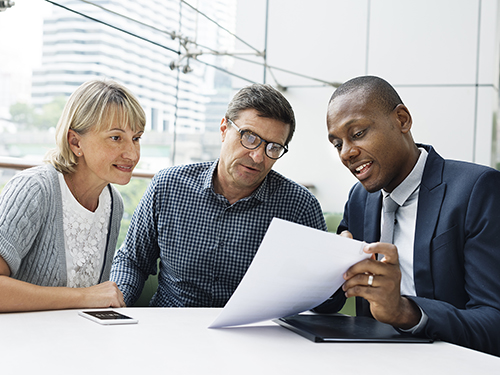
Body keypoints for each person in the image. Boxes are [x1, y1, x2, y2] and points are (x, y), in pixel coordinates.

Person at [319, 75, 500, 356]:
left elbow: (494, 322)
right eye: (337, 144)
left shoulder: (477, 189)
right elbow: (333, 300)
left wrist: (406, 312)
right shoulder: (359, 198)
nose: (347, 153)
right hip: (367, 361)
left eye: (357, 133)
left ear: (402, 120)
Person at [110, 83, 327, 307]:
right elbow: (132, 261)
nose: (258, 157)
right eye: (249, 137)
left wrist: (338, 273)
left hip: (253, 336)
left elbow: (321, 296)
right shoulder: (168, 186)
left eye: (273, 148)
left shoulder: (300, 206)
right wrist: (115, 304)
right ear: (224, 129)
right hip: (170, 329)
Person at [0, 79, 146, 312]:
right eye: (116, 138)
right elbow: (87, 297)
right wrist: (82, 297)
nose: (132, 153)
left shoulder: (113, 203)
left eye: (136, 138)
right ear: (75, 142)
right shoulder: (34, 190)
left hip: (74, 341)